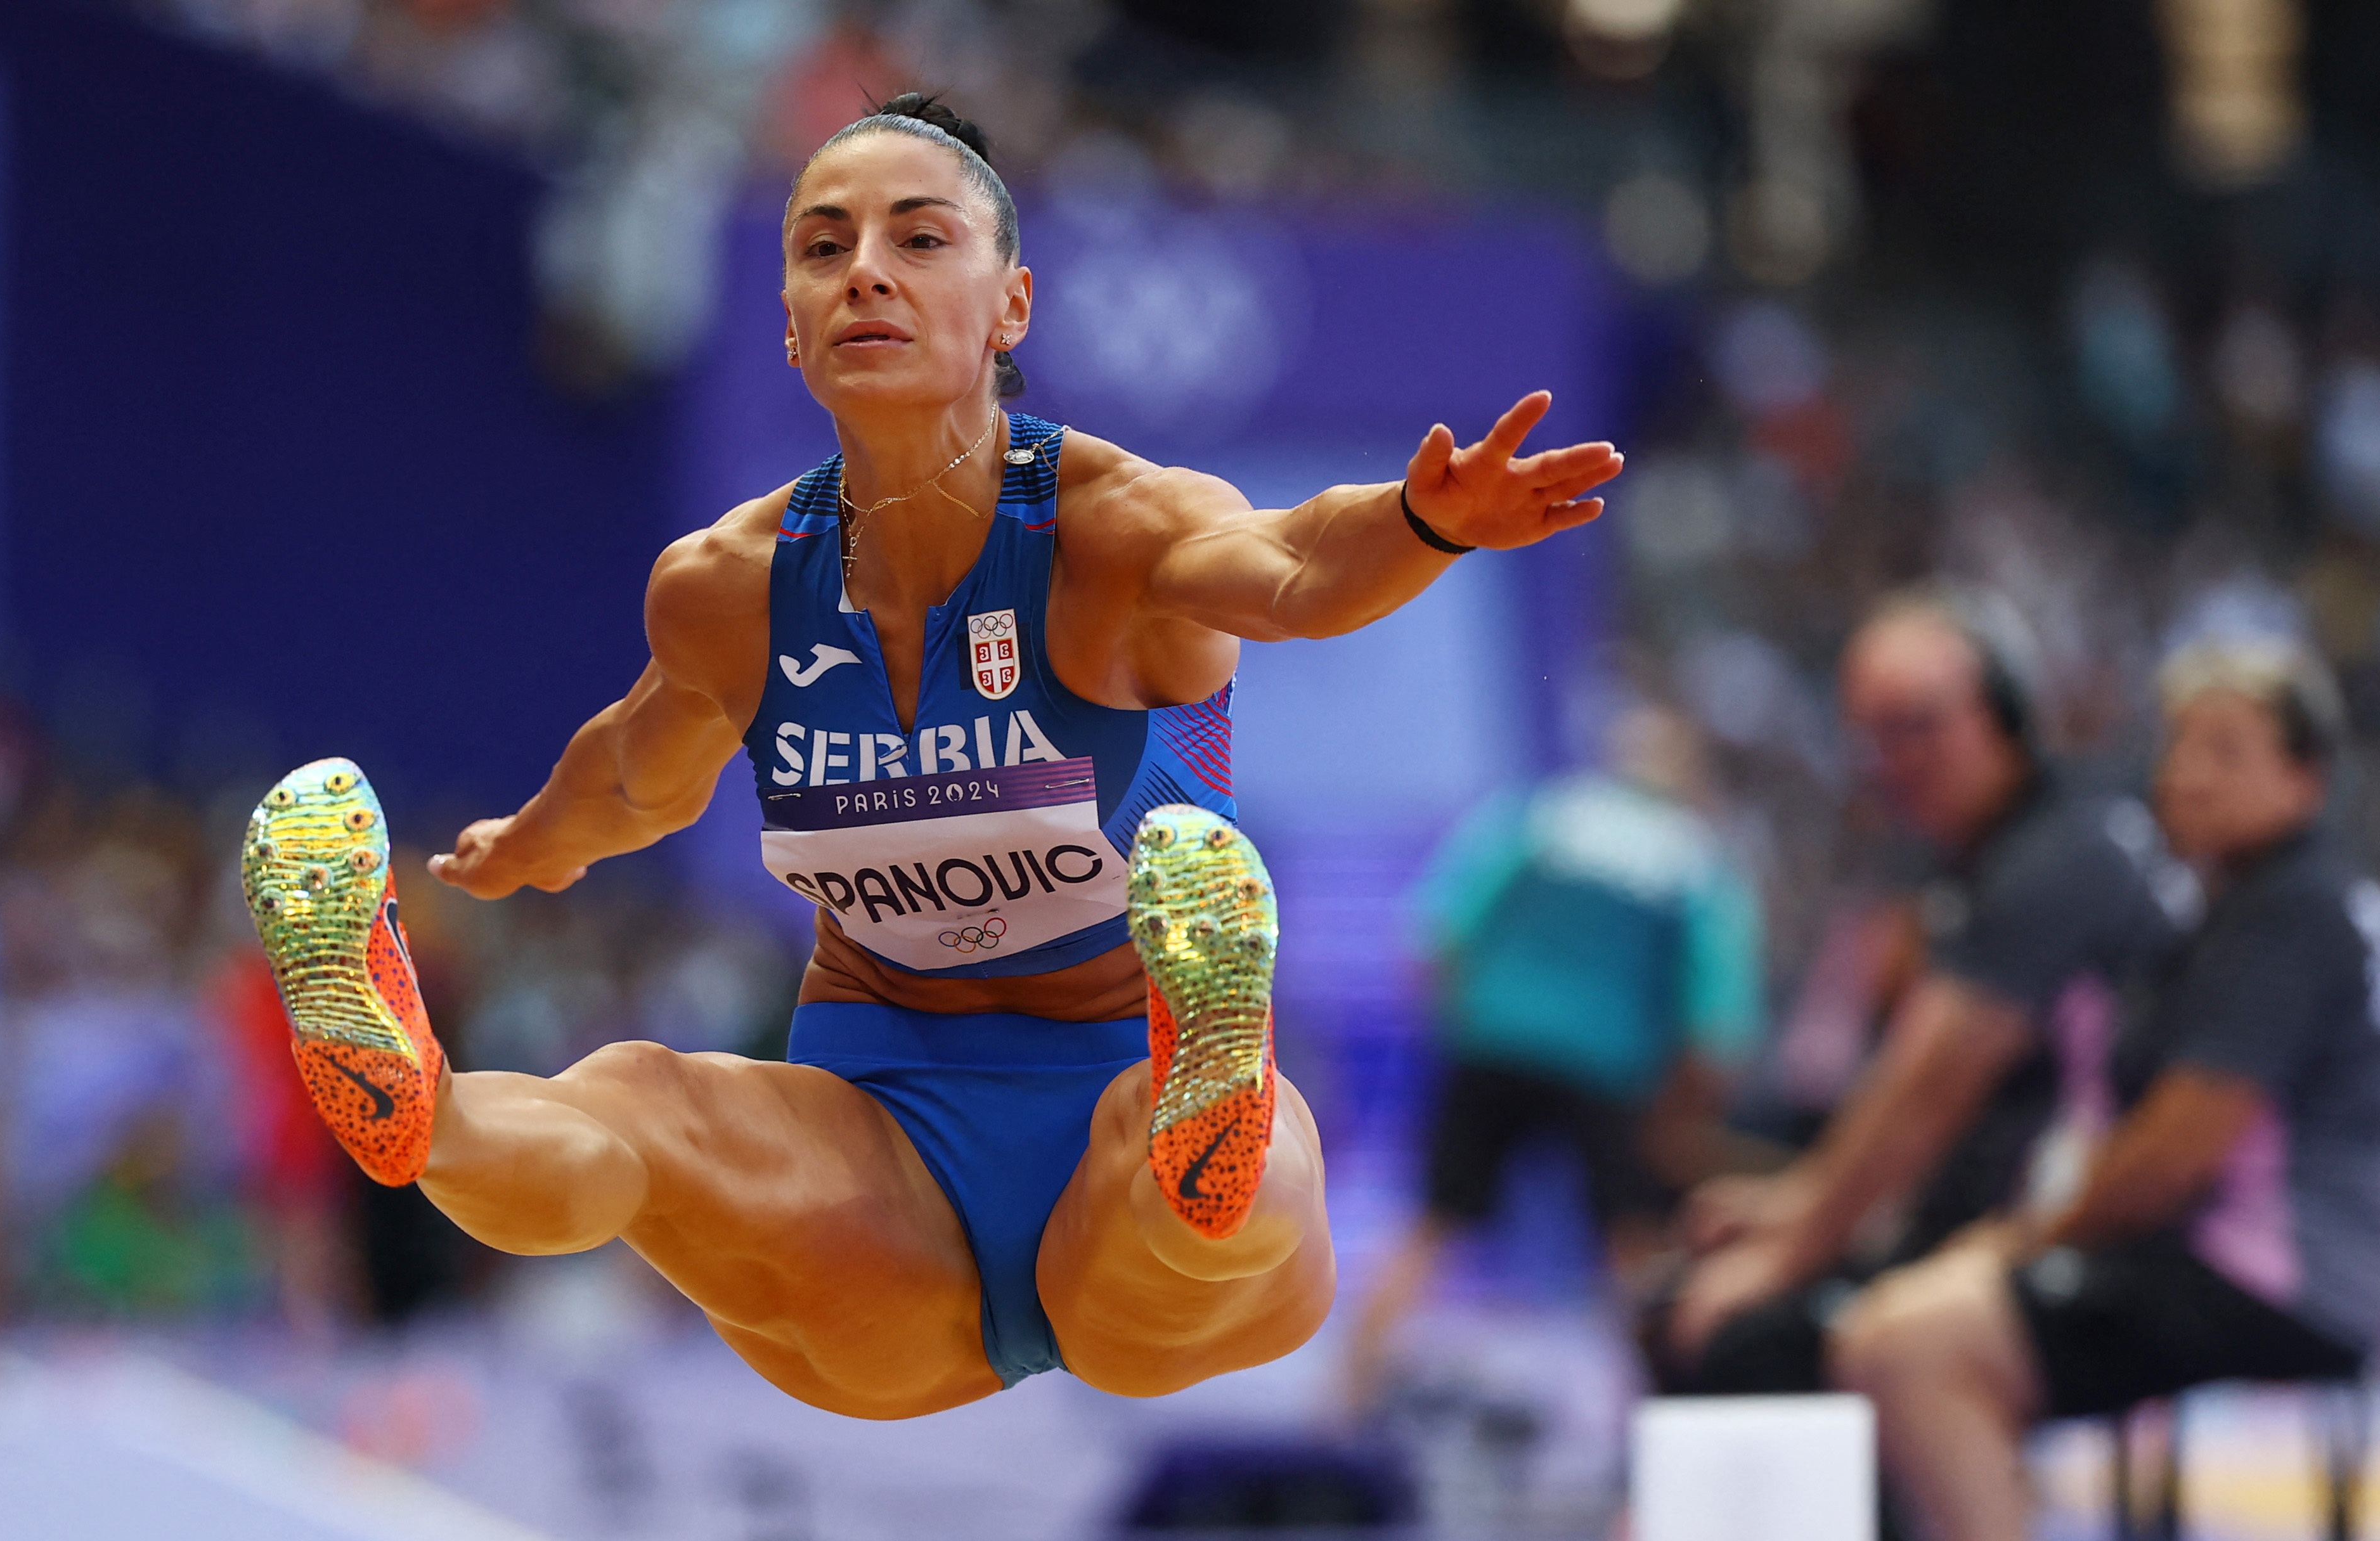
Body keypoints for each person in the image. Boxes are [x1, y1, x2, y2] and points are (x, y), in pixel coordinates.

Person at [238, 94, 1622, 1419]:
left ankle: (1211, 1090)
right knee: (637, 1104)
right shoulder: (728, 586)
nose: (863, 275)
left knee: (1196, 1195)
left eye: (917, 238)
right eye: (820, 246)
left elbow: (1293, 562)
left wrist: (1423, 524)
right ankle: (413, 1101)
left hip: (1114, 1100)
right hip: (878, 1142)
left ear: (1008, 304)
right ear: (784, 322)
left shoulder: (1108, 530)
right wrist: (523, 844)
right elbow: (633, 775)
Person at [1834, 636, 2380, 1541]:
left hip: (2258, 1276)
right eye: (2180, 749)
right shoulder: (2284, 904)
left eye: (2225, 752)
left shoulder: (2285, 915)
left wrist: (2021, 1242)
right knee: (1915, 1326)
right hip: (2303, 1272)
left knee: (1907, 1338)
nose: (2186, 775)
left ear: (2306, 778)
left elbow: (2177, 1152)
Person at [1664, 586, 2187, 1392]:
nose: (1890, 762)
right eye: (1868, 736)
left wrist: (1792, 1251)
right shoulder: (1986, 854)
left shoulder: (2057, 861)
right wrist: (1799, 1203)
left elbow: (1927, 1091)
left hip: (2092, 1238)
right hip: (1997, 1210)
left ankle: (1903, 1525)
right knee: (1687, 1299)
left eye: (1916, 726)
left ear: (2005, 714)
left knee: (1749, 1339)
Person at [1343, 701, 1762, 1414]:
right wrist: (1684, 1109)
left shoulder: (1537, 817)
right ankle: (1666, 1412)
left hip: (1491, 1047)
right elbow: (1717, 1017)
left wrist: (1458, 1024)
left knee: (1433, 1223)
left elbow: (1435, 931)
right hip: (1603, 1071)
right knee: (1631, 1245)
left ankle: (1343, 1399)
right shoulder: (1693, 862)